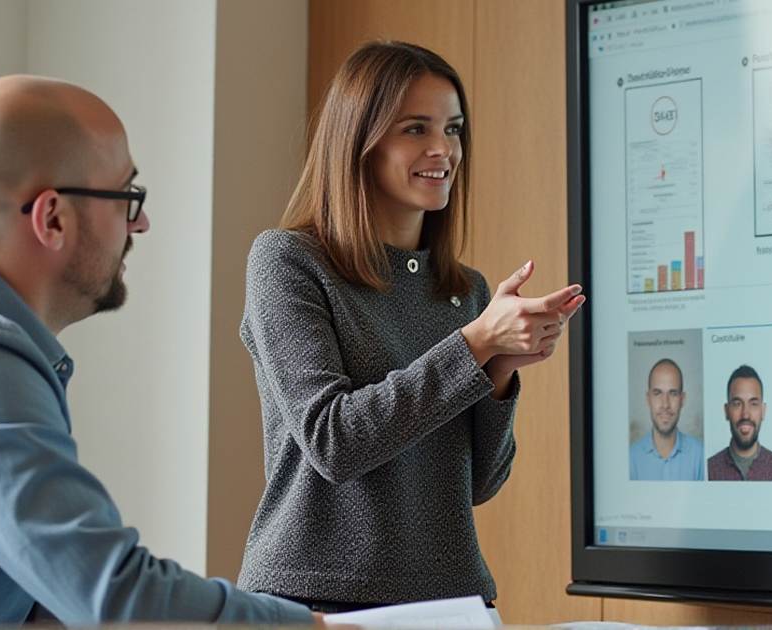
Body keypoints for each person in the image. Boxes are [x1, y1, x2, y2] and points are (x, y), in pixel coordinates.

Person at [0, 76, 312, 624]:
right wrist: (309, 625)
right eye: (128, 197)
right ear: (51, 217)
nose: (141, 222)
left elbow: (46, 597)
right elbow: (113, 596)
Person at [238, 41, 582, 615]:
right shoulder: (287, 262)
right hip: (314, 598)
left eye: (453, 129)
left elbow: (479, 484)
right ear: (360, 141)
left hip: (452, 602)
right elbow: (333, 441)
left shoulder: (467, 291)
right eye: (416, 128)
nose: (443, 149)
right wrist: (476, 345)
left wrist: (499, 371)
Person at [707, 366, 772, 481]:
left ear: (763, 411)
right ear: (726, 411)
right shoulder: (709, 470)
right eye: (737, 404)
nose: (745, 415)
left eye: (753, 404)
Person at [630, 359, 704, 481]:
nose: (665, 404)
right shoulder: (630, 458)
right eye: (657, 393)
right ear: (648, 399)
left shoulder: (701, 456)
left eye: (673, 393)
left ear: (682, 400)